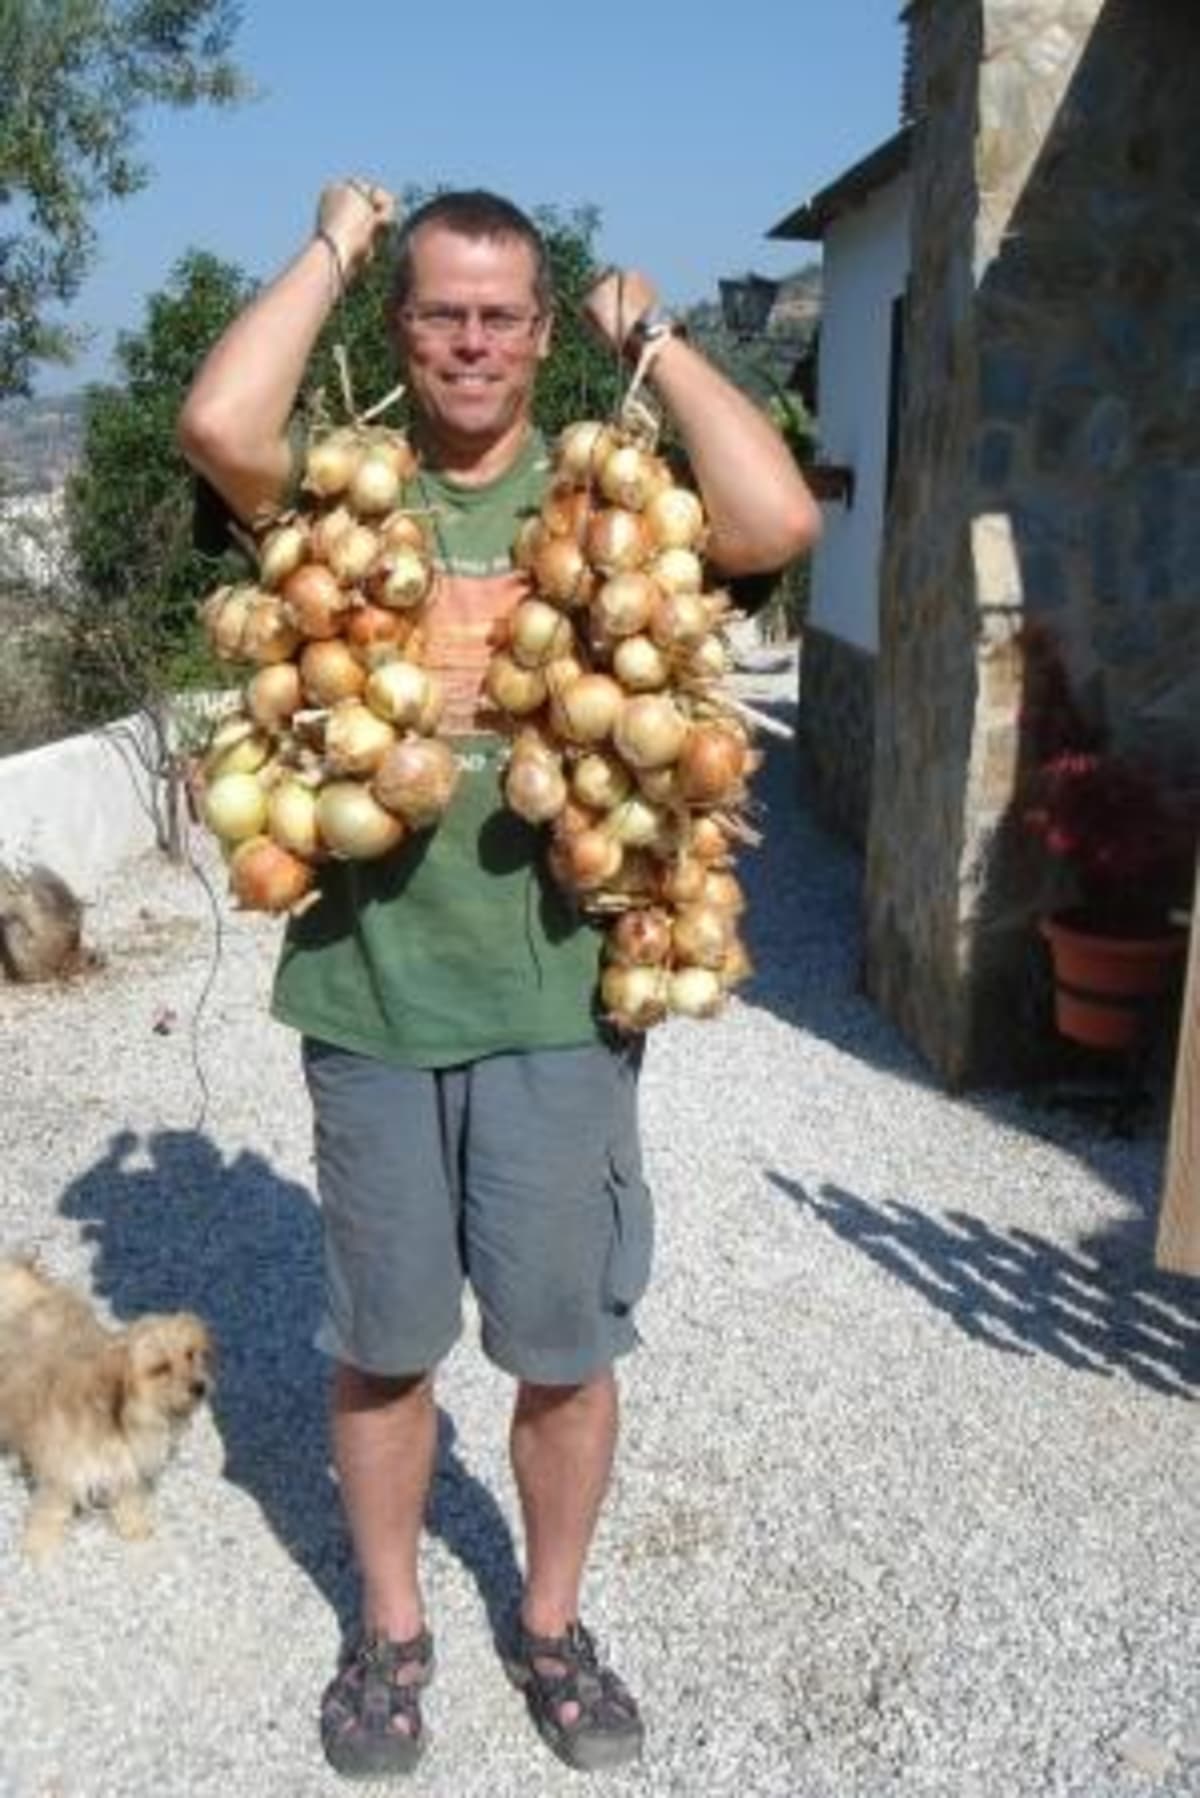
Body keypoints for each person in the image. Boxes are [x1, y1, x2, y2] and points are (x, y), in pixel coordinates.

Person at [178, 176, 819, 1780]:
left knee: (562, 1346)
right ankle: (392, 1632)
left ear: (542, 334)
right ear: (403, 329)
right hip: (369, 999)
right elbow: (217, 416)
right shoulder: (343, 496)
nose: (470, 340)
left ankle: (547, 1622)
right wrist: (333, 243)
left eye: (500, 315)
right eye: (441, 311)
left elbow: (781, 521)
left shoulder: (610, 504)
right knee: (384, 1343)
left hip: (561, 1004)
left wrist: (656, 338)